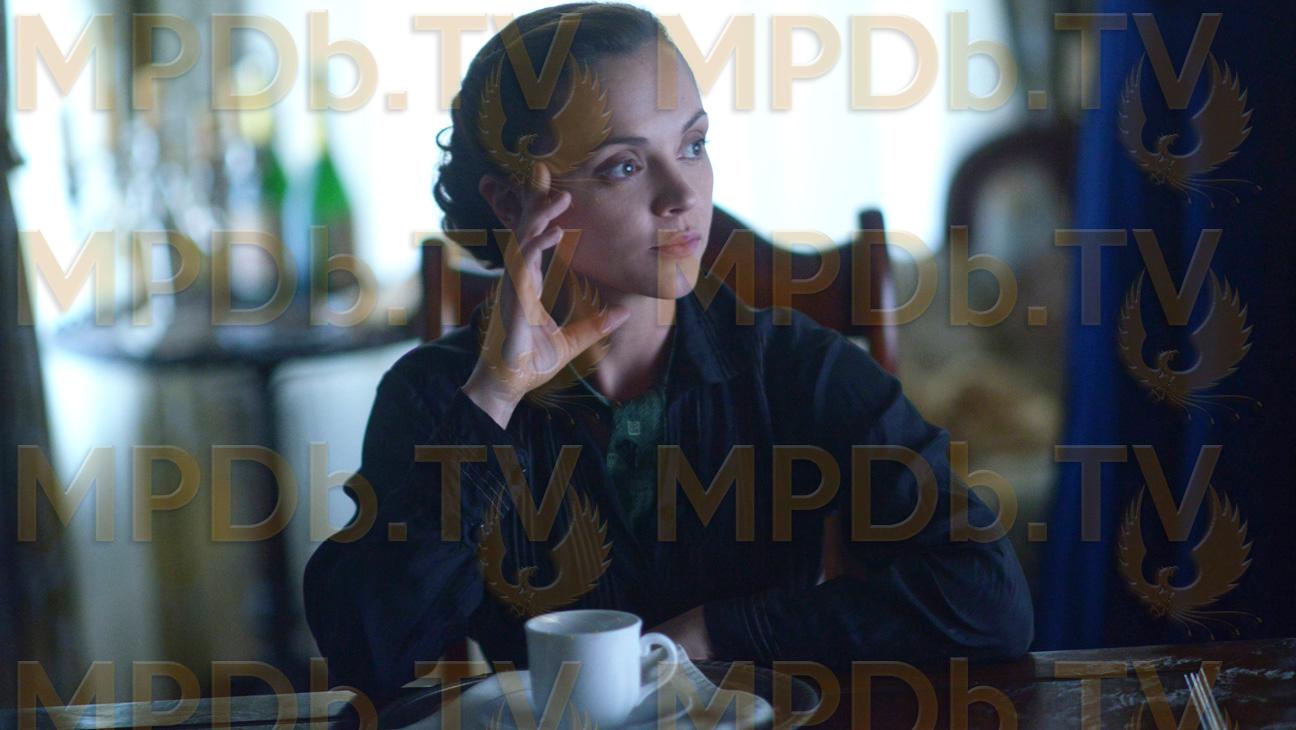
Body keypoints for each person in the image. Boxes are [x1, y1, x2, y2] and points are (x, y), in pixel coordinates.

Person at [302, 1, 1034, 702]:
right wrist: (492, 399)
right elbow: (370, 656)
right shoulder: (437, 395)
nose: (682, 194)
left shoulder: (795, 368)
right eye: (624, 165)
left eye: (694, 144)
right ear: (512, 202)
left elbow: (988, 601)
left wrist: (720, 631)